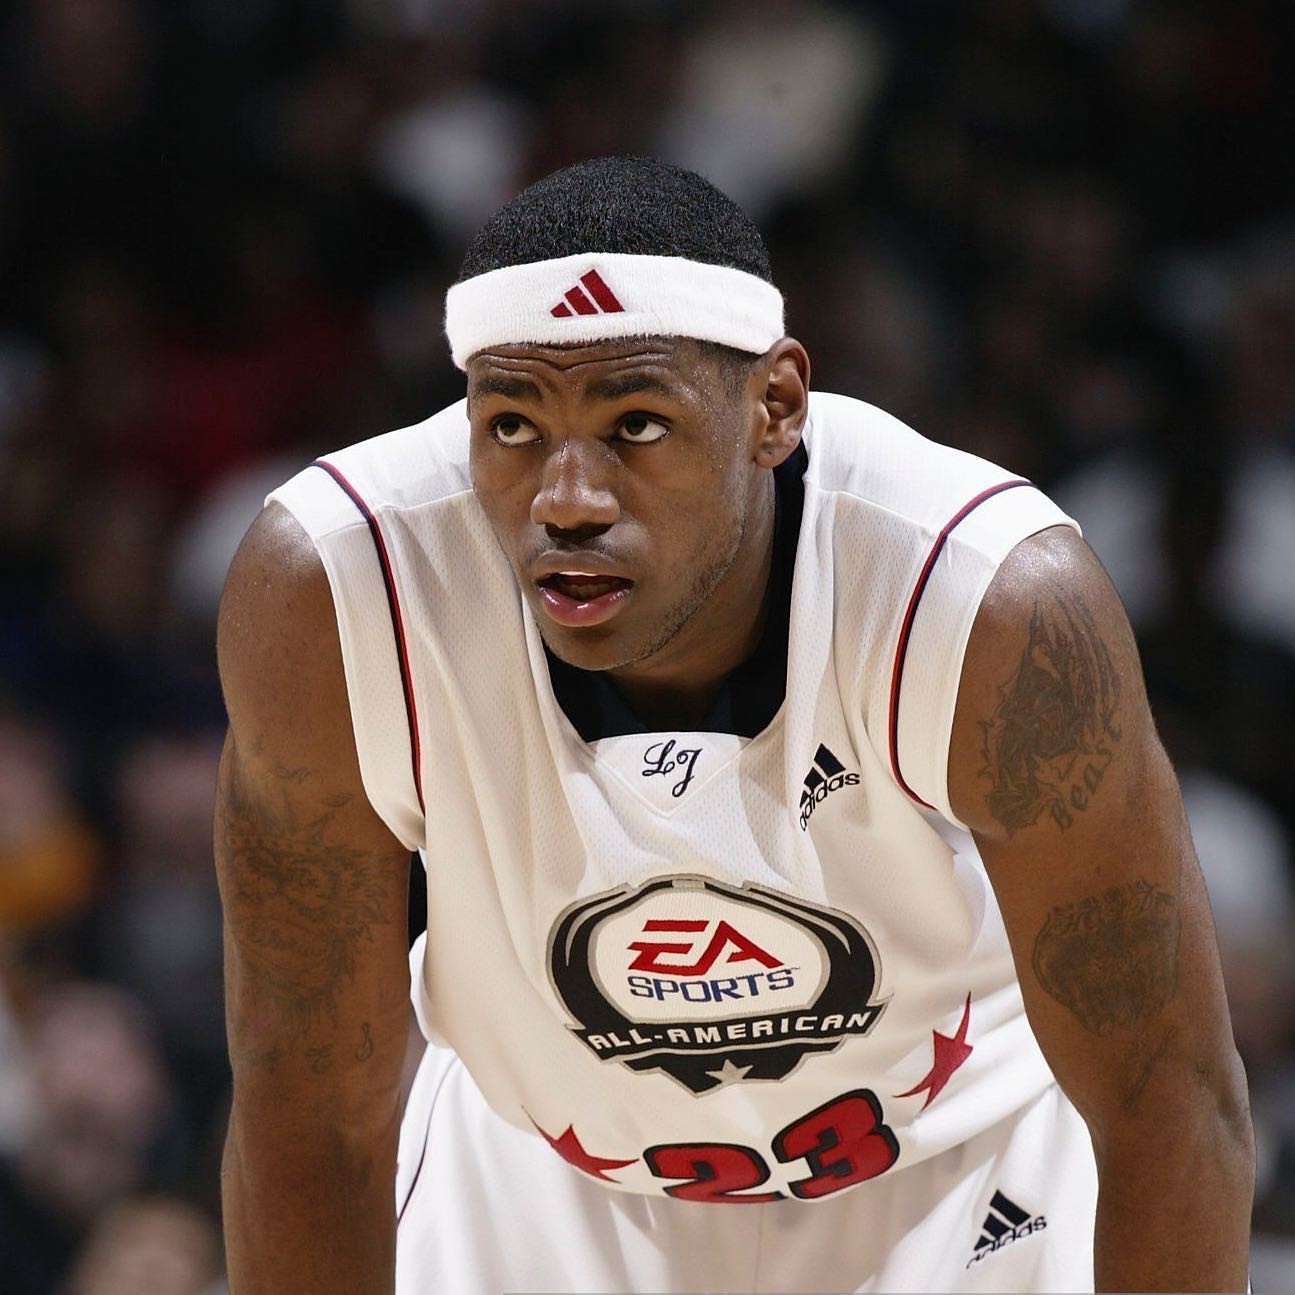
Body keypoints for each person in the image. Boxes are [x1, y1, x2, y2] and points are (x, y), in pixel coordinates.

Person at [214, 156, 1253, 1294]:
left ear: (775, 407)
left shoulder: (981, 596)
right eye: (511, 424)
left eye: (635, 423)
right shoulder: (336, 589)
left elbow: (1165, 1092)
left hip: (961, 1181)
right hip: (540, 1186)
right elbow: (308, 1107)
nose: (567, 497)